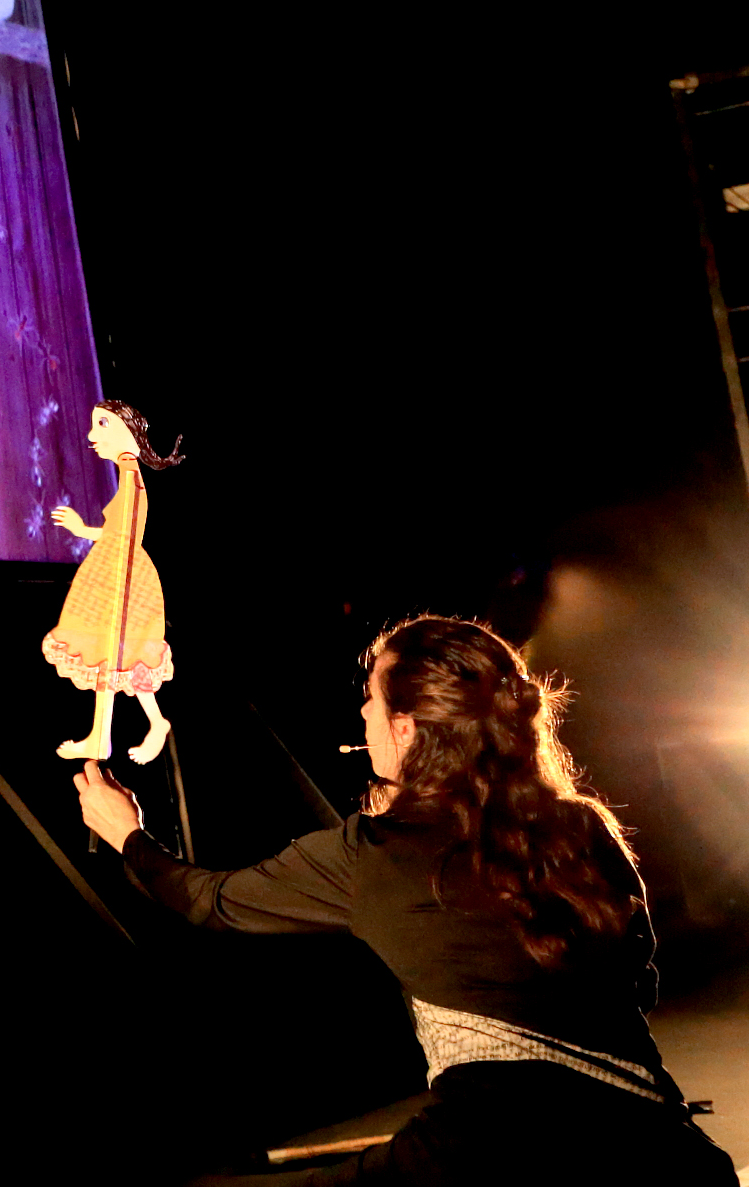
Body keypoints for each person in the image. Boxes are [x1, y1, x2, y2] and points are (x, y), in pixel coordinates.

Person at [71, 614, 737, 1185]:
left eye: (370, 696)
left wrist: (127, 835)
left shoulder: (371, 855)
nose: (362, 713)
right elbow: (640, 985)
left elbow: (206, 902)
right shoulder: (583, 826)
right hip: (664, 1154)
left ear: (409, 728)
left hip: (484, 1158)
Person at [45, 400, 183, 764]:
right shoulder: (127, 475)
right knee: (117, 651)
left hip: (124, 574)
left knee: (118, 649)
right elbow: (120, 532)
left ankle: (113, 734)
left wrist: (81, 530)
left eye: (103, 425)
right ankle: (117, 732)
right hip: (117, 567)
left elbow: (127, 535)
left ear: (128, 432)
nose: (93, 436)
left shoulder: (132, 479)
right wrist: (85, 531)